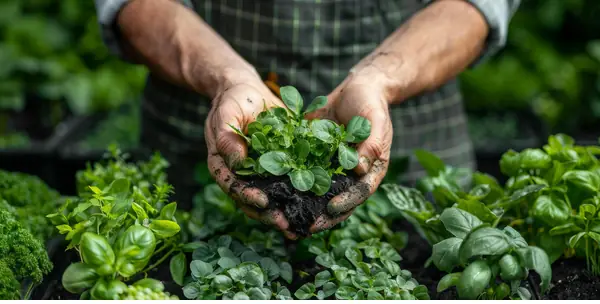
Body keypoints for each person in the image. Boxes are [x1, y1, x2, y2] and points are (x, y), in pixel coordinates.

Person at [94, 0, 520, 239]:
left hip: (416, 120)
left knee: (419, 250)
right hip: (201, 123)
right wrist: (228, 78)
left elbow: (478, 6)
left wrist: (380, 79)